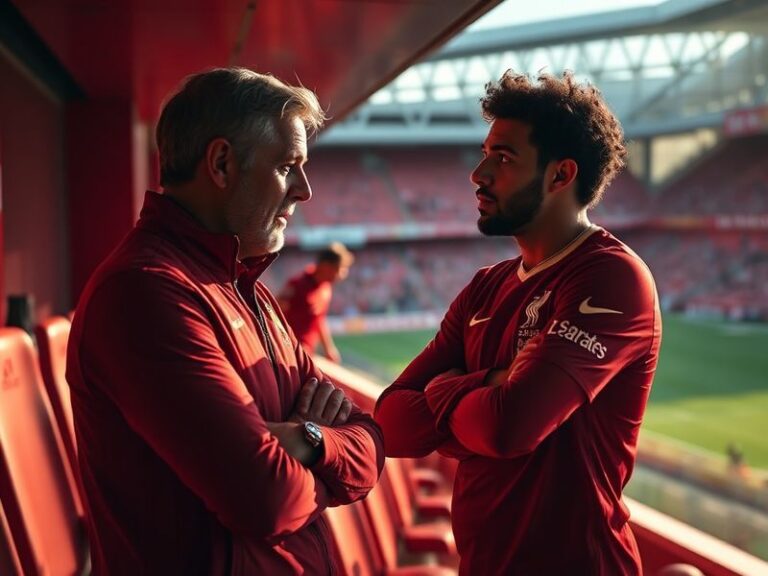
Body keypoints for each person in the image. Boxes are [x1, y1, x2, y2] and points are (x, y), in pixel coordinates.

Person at [66, 68, 384, 575]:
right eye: (287, 165)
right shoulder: (145, 293)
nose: (304, 191)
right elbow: (267, 499)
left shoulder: (247, 288)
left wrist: (307, 439)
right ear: (220, 163)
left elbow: (370, 443)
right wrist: (319, 446)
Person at [375, 70, 662, 575]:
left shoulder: (611, 277)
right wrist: (486, 385)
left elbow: (509, 427)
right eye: (485, 153)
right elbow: (391, 423)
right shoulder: (486, 285)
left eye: (503, 158)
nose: (479, 173)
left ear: (560, 175)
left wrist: (441, 394)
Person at [278, 242, 354, 363]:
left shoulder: (325, 287)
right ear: (326, 266)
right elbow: (274, 313)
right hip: (288, 355)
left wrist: (329, 348)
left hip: (307, 354)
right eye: (340, 269)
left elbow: (319, 319)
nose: (342, 275)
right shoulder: (297, 284)